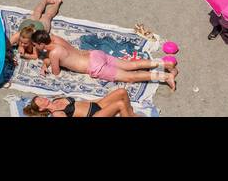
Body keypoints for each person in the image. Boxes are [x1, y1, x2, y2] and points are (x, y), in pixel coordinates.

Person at [21, 27, 175, 89]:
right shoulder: (54, 38)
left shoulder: (54, 53)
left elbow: (56, 72)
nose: (35, 48)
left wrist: (46, 64)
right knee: (130, 65)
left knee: (129, 77)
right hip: (94, 54)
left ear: (41, 44)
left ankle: (165, 76)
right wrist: (45, 62)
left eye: (36, 45)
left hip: (94, 66)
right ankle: (165, 63)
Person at [23, 90, 137, 117]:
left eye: (41, 98)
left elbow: (82, 102)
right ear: (42, 109)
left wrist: (103, 100)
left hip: (96, 106)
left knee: (122, 92)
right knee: (120, 104)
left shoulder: (56, 100)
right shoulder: (57, 114)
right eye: (41, 102)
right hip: (93, 115)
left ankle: (130, 114)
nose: (43, 99)